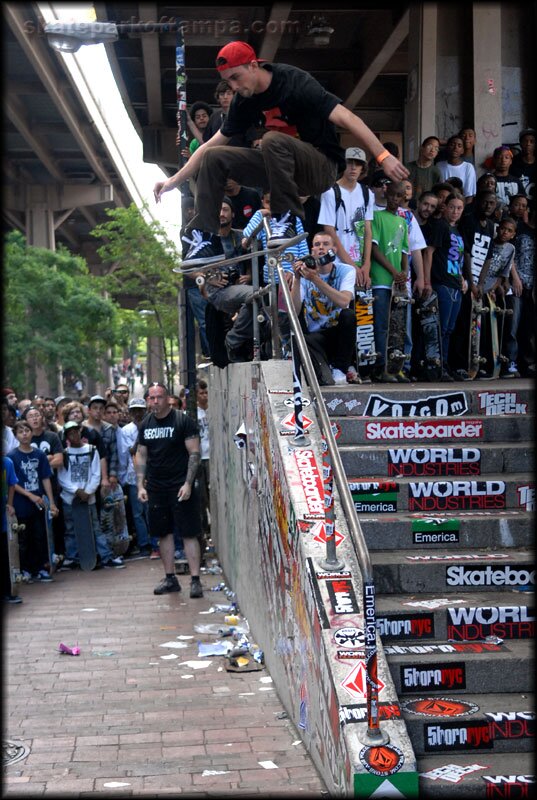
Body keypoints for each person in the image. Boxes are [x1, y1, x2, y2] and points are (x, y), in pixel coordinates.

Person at [154, 41, 408, 266]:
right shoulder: (244, 101)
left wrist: (383, 156)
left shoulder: (295, 82)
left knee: (273, 139)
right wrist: (172, 181)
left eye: (236, 77)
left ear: (253, 65)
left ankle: (285, 217)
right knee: (214, 155)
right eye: (228, 81)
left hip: (320, 167)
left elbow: (347, 118)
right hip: (281, 170)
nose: (234, 86)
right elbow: (210, 145)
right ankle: (206, 235)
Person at [136, 382, 204, 599]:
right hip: (156, 487)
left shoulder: (182, 420)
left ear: (167, 398)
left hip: (180, 485)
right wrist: (140, 485)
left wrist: (188, 483)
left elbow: (194, 453)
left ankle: (195, 580)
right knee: (163, 533)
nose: (155, 401)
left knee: (188, 532)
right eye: (151, 398)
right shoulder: (145, 424)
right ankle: (170, 578)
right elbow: (141, 454)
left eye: (159, 397)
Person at [57, 420, 125, 570]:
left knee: (95, 527)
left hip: (89, 497)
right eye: (70, 433)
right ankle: (72, 557)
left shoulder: (92, 449)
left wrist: (88, 491)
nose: (73, 435)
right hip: (70, 499)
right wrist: (76, 491)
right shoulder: (65, 453)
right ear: (66, 436)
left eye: (75, 431)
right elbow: (62, 477)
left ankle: (105, 556)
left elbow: (96, 473)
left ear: (80, 431)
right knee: (70, 529)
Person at [291, 231, 356, 385]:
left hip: (337, 334)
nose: (321, 248)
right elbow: (294, 311)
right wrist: (298, 279)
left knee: (349, 315)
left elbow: (344, 301)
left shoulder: (346, 270)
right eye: (317, 245)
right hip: (315, 336)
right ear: (312, 250)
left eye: (326, 244)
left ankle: (340, 369)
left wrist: (315, 279)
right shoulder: (304, 274)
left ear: (334, 249)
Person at [369, 181, 410, 383]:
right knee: (381, 325)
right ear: (387, 195)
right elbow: (374, 250)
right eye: (393, 195)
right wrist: (394, 272)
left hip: (397, 283)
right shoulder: (377, 217)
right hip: (381, 280)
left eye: (400, 196)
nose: (396, 199)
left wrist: (404, 273)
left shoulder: (403, 222)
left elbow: (404, 252)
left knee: (397, 328)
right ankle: (379, 368)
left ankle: (395, 368)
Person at [8, 420, 58, 582]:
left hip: (39, 503)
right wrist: (29, 495)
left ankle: (40, 568)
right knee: (23, 539)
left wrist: (51, 502)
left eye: (27, 430)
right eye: (20, 431)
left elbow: (45, 478)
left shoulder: (39, 454)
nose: (24, 434)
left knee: (39, 536)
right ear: (15, 435)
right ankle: (25, 569)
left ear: (31, 432)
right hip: (21, 503)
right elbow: (12, 483)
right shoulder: (12, 457)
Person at [426, 193, 468, 381]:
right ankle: (436, 366)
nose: (455, 211)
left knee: (450, 328)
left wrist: (463, 279)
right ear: (445, 207)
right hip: (442, 283)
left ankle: (445, 364)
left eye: (459, 208)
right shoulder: (441, 226)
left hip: (455, 285)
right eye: (452, 207)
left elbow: (457, 259)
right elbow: (429, 252)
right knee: (440, 327)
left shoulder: (457, 231)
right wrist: (427, 281)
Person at [318, 146, 374, 287]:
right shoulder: (330, 192)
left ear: (363, 167)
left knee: (361, 307)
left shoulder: (367, 193)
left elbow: (368, 230)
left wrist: (366, 264)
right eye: (349, 163)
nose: (353, 168)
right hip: (336, 261)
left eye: (358, 163)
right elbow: (329, 231)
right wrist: (351, 265)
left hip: (361, 263)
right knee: (339, 305)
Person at [119, 397, 153, 558]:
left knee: (150, 511)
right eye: (135, 410)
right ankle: (144, 543)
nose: (138, 413)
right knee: (138, 513)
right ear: (131, 412)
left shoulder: (151, 425)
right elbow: (131, 451)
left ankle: (155, 543)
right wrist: (140, 435)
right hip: (134, 476)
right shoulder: (126, 430)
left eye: (141, 410)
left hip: (152, 475)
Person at [2, 455, 22, 602]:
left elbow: (12, 484)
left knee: (5, 555)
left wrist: (10, 503)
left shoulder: (7, 462)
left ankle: (7, 592)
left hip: (2, 517)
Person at [436, 135, 477, 203]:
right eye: (452, 145)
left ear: (463, 150)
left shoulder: (468, 167)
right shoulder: (439, 166)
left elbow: (469, 195)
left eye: (459, 146)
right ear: (447, 148)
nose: (455, 148)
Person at [196, 380, 211, 546]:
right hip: (201, 457)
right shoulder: (195, 414)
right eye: (201, 393)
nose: (204, 396)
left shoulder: (211, 411)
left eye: (206, 393)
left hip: (211, 455)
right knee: (202, 496)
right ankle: (205, 528)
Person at [404, 136, 442, 200]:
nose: (432, 150)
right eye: (430, 146)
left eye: (436, 148)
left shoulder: (436, 172)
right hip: (408, 204)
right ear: (422, 147)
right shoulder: (408, 167)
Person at [491, 145, 526, 212]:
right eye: (499, 157)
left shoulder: (516, 181)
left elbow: (523, 200)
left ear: (511, 161)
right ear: (494, 160)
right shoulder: (488, 180)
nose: (503, 160)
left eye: (506, 157)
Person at [511, 128, 535, 211]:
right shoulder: (513, 163)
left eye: (532, 141)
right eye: (525, 141)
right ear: (521, 144)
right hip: (518, 208)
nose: (528, 144)